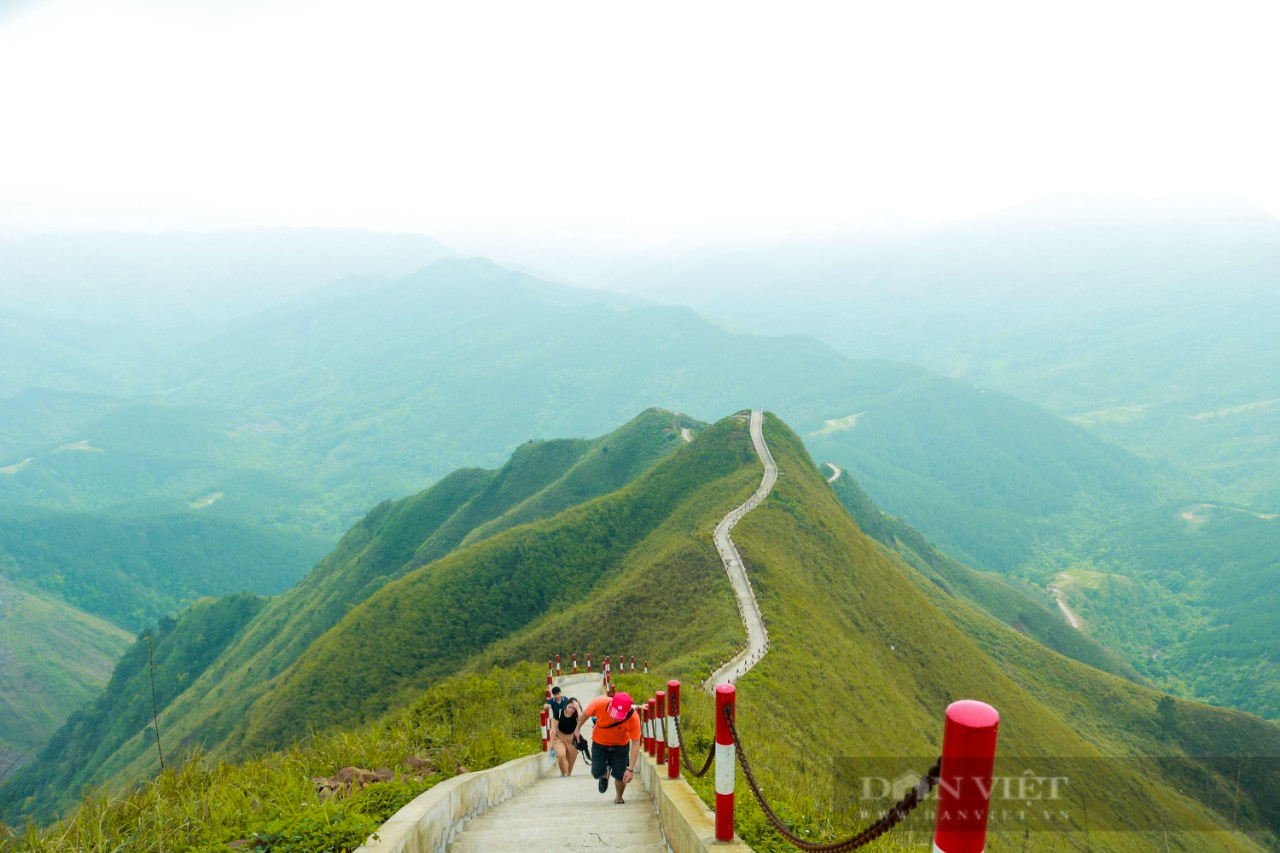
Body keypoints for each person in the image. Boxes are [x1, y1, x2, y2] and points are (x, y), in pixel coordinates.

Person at [575, 691, 641, 804]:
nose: (615, 718)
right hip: (599, 742)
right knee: (596, 773)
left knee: (621, 776)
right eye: (614, 713)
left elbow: (635, 743)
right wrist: (577, 729)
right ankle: (605, 773)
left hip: (620, 745)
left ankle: (619, 798)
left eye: (619, 716)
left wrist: (630, 769)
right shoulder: (599, 703)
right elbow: (586, 714)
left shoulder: (633, 718)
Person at [550, 694, 584, 776]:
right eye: (569, 707)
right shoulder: (559, 713)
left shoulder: (576, 715)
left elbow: (582, 719)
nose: (571, 710)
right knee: (561, 755)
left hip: (572, 738)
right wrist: (551, 743)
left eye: (573, 709)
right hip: (560, 737)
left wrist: (578, 708)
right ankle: (563, 773)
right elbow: (554, 729)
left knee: (571, 758)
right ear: (566, 705)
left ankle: (567, 773)